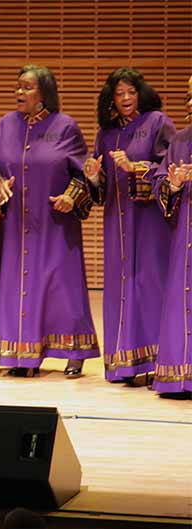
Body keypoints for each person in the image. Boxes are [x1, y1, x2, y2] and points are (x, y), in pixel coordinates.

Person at [0, 65, 100, 377]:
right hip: (16, 228)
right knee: (14, 287)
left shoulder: (65, 127)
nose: (18, 93)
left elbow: (83, 174)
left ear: (44, 93)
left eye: (26, 87)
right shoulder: (6, 125)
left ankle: (74, 352)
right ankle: (22, 354)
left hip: (54, 226)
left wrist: (70, 197)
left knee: (60, 288)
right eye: (16, 87)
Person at [84, 68, 175, 384]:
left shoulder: (157, 122)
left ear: (140, 93)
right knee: (121, 289)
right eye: (119, 94)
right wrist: (95, 174)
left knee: (149, 286)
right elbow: (100, 186)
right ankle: (124, 364)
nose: (125, 99)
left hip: (149, 223)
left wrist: (135, 167)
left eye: (130, 92)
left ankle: (156, 364)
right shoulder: (106, 133)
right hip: (116, 223)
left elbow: (168, 166)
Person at [151, 75, 192, 398]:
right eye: (188, 96)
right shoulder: (179, 142)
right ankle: (180, 377)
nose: (190, 104)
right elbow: (161, 187)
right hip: (184, 241)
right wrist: (174, 186)